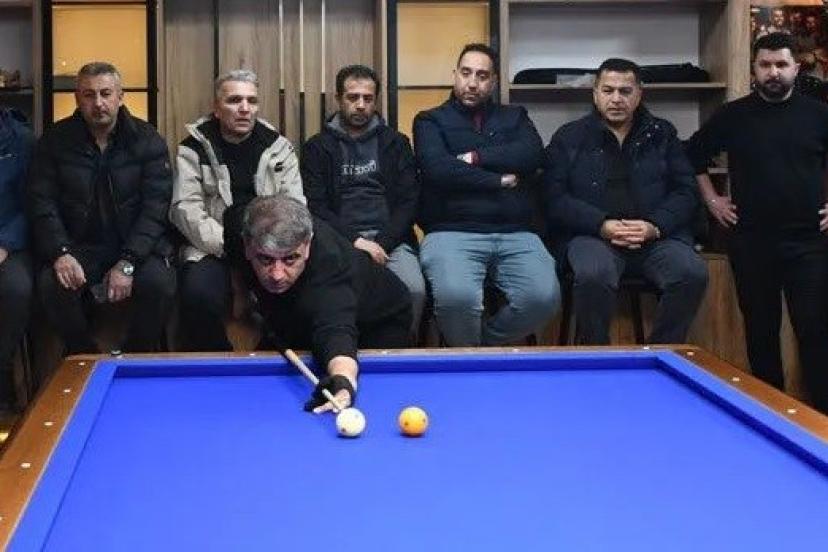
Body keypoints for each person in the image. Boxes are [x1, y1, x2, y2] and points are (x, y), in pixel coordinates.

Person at [687, 33, 828, 413]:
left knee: (815, 331)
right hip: (751, 241)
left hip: (809, 242)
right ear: (754, 68)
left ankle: (821, 420)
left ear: (796, 68)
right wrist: (712, 199)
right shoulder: (733, 115)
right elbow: (693, 154)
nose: (773, 72)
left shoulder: (818, 115)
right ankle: (770, 412)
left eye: (781, 65)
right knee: (760, 332)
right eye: (765, 65)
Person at [544, 58, 707, 345]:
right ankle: (597, 357)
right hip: (592, 237)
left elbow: (686, 192)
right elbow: (554, 198)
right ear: (595, 94)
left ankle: (661, 353)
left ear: (639, 94)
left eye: (625, 91)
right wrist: (601, 225)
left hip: (655, 238)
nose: (617, 99)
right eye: (608, 91)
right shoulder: (569, 137)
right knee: (593, 274)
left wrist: (654, 226)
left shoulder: (662, 134)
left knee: (691, 273)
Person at [413, 43, 560, 346]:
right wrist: (498, 181)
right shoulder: (430, 120)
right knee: (458, 299)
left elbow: (532, 155)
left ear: (493, 82)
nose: (472, 83)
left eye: (482, 76)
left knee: (543, 298)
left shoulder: (515, 116)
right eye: (466, 73)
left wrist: (474, 158)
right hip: (452, 230)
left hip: (515, 231)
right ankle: (473, 361)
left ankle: (479, 351)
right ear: (455, 74)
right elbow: (438, 169)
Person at [28, 62, 176, 354]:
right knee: (51, 285)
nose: (98, 103)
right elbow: (41, 203)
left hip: (135, 246)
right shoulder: (55, 141)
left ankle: (135, 357)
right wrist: (60, 252)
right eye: (89, 95)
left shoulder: (147, 140)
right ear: (77, 99)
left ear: (120, 96)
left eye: (106, 93)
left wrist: (128, 261)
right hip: (78, 246)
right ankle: (84, 357)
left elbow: (155, 209)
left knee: (159, 285)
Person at [230, 195, 412, 413]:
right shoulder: (237, 224)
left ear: (307, 245)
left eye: (290, 259)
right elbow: (234, 255)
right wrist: (241, 294)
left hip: (379, 321)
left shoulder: (331, 267)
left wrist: (343, 381)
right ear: (247, 245)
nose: (277, 275)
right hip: (298, 310)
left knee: (378, 401)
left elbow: (336, 331)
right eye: (266, 260)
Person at [171, 69, 304, 351]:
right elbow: (185, 209)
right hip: (211, 247)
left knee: (299, 289)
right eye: (234, 100)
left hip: (271, 248)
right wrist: (234, 246)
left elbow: (294, 206)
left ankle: (274, 359)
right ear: (217, 108)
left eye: (251, 101)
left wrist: (264, 247)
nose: (244, 108)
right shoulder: (193, 148)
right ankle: (216, 362)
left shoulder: (279, 148)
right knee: (198, 293)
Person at [301, 64, 424, 335]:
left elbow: (409, 201)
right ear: (338, 99)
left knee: (414, 290)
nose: (360, 105)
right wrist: (356, 241)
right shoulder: (317, 147)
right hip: (338, 241)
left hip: (391, 241)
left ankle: (402, 351)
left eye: (368, 98)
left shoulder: (396, 143)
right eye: (353, 97)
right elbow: (316, 206)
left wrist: (382, 243)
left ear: (375, 101)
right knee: (337, 295)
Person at [0, 107, 33, 412]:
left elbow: (32, 205)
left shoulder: (22, 140)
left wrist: (5, 244)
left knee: (16, 289)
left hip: (11, 244)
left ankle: (3, 368)